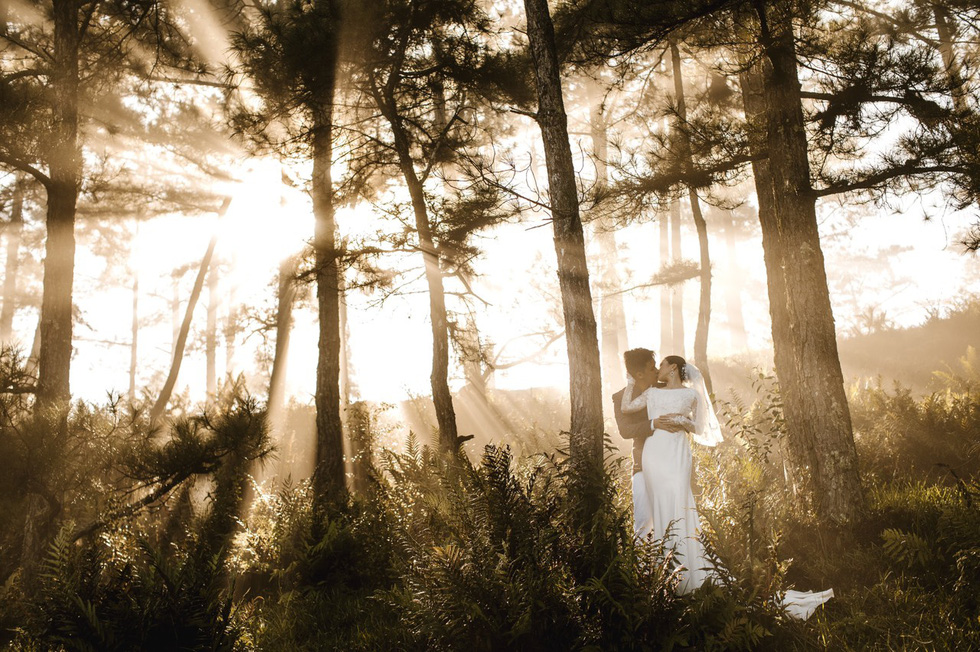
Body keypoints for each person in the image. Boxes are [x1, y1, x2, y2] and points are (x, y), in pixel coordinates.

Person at [621, 354, 720, 594]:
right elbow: (626, 408)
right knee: (659, 505)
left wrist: (681, 420)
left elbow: (700, 428)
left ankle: (686, 564)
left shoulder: (691, 395)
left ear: (673, 368)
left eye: (662, 365)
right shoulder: (653, 393)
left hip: (677, 452)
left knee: (679, 498)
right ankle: (665, 568)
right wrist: (630, 381)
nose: (658, 369)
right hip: (654, 453)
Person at [612, 349, 692, 539]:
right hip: (642, 466)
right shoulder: (620, 397)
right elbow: (625, 430)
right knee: (643, 521)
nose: (656, 371)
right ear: (638, 374)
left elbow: (685, 400)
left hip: (671, 464)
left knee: (675, 521)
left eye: (657, 366)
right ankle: (643, 567)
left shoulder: (665, 390)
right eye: (651, 368)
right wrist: (652, 424)